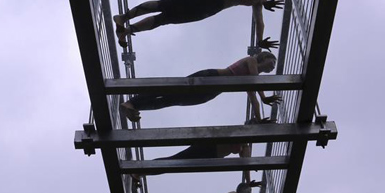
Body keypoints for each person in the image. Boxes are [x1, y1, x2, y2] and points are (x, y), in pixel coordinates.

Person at [113, 0, 285, 48]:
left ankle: (126, 31)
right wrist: (265, 2)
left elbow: (259, 21)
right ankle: (123, 17)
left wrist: (260, 40)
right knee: (164, 5)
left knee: (165, 18)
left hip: (213, 7)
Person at [120, 52, 281, 123]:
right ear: (264, 57)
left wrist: (260, 119)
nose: (272, 67)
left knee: (171, 100)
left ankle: (134, 107)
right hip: (211, 78)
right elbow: (255, 83)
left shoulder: (251, 80)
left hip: (212, 91)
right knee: (169, 90)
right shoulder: (252, 61)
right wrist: (264, 97)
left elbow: (253, 98)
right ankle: (130, 103)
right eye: (272, 62)